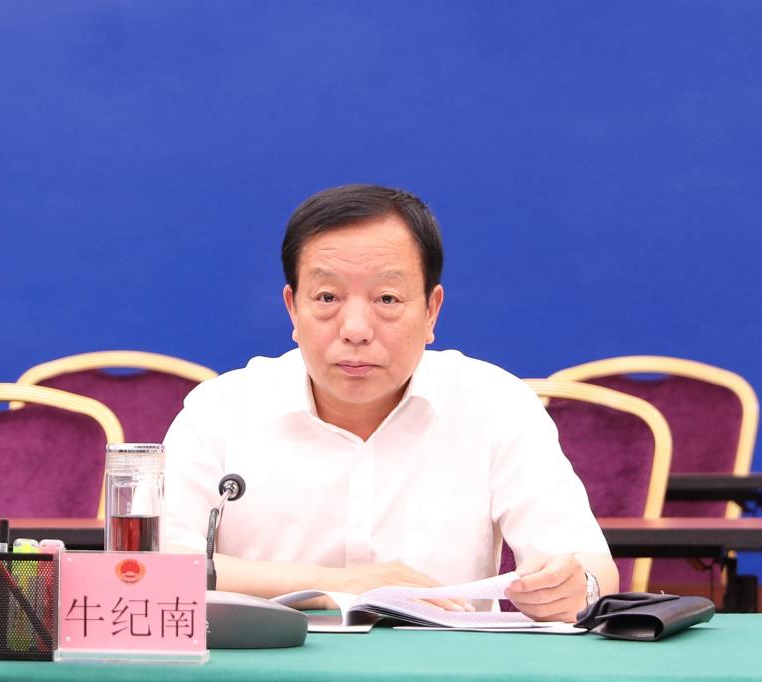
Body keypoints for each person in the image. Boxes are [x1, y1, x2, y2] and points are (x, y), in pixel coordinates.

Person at [163, 184, 618, 622]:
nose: (356, 329)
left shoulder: (494, 404)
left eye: (386, 298)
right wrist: (339, 585)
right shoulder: (220, 410)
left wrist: (576, 588)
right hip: (271, 659)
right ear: (293, 309)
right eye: (327, 297)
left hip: (445, 663)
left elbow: (592, 568)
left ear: (431, 311)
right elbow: (151, 565)